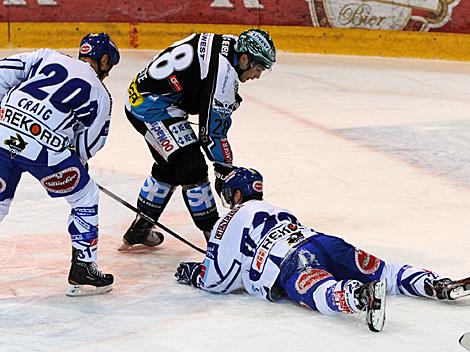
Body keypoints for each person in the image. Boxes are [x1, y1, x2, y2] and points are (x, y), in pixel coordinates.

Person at [175, 167, 470, 332]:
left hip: (289, 262)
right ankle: (435, 285)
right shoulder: (274, 207)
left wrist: (196, 274)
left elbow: (219, 280)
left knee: (320, 289)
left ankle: (359, 296)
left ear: (235, 194)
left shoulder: (228, 219)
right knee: (386, 272)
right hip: (324, 243)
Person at [120, 29, 276, 250]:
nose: (258, 75)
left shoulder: (229, 43)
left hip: (145, 98)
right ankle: (216, 241)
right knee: (191, 166)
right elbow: (212, 134)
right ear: (244, 59)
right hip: (151, 108)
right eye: (258, 68)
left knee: (170, 165)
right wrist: (224, 168)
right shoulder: (224, 74)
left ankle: (140, 228)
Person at [0, 33, 120, 296]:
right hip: (46, 150)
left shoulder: (46, 56)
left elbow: (3, 72)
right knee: (85, 196)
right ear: (103, 60)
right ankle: (83, 267)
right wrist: (78, 164)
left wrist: (7, 116)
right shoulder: (101, 94)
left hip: (2, 132)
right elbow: (88, 146)